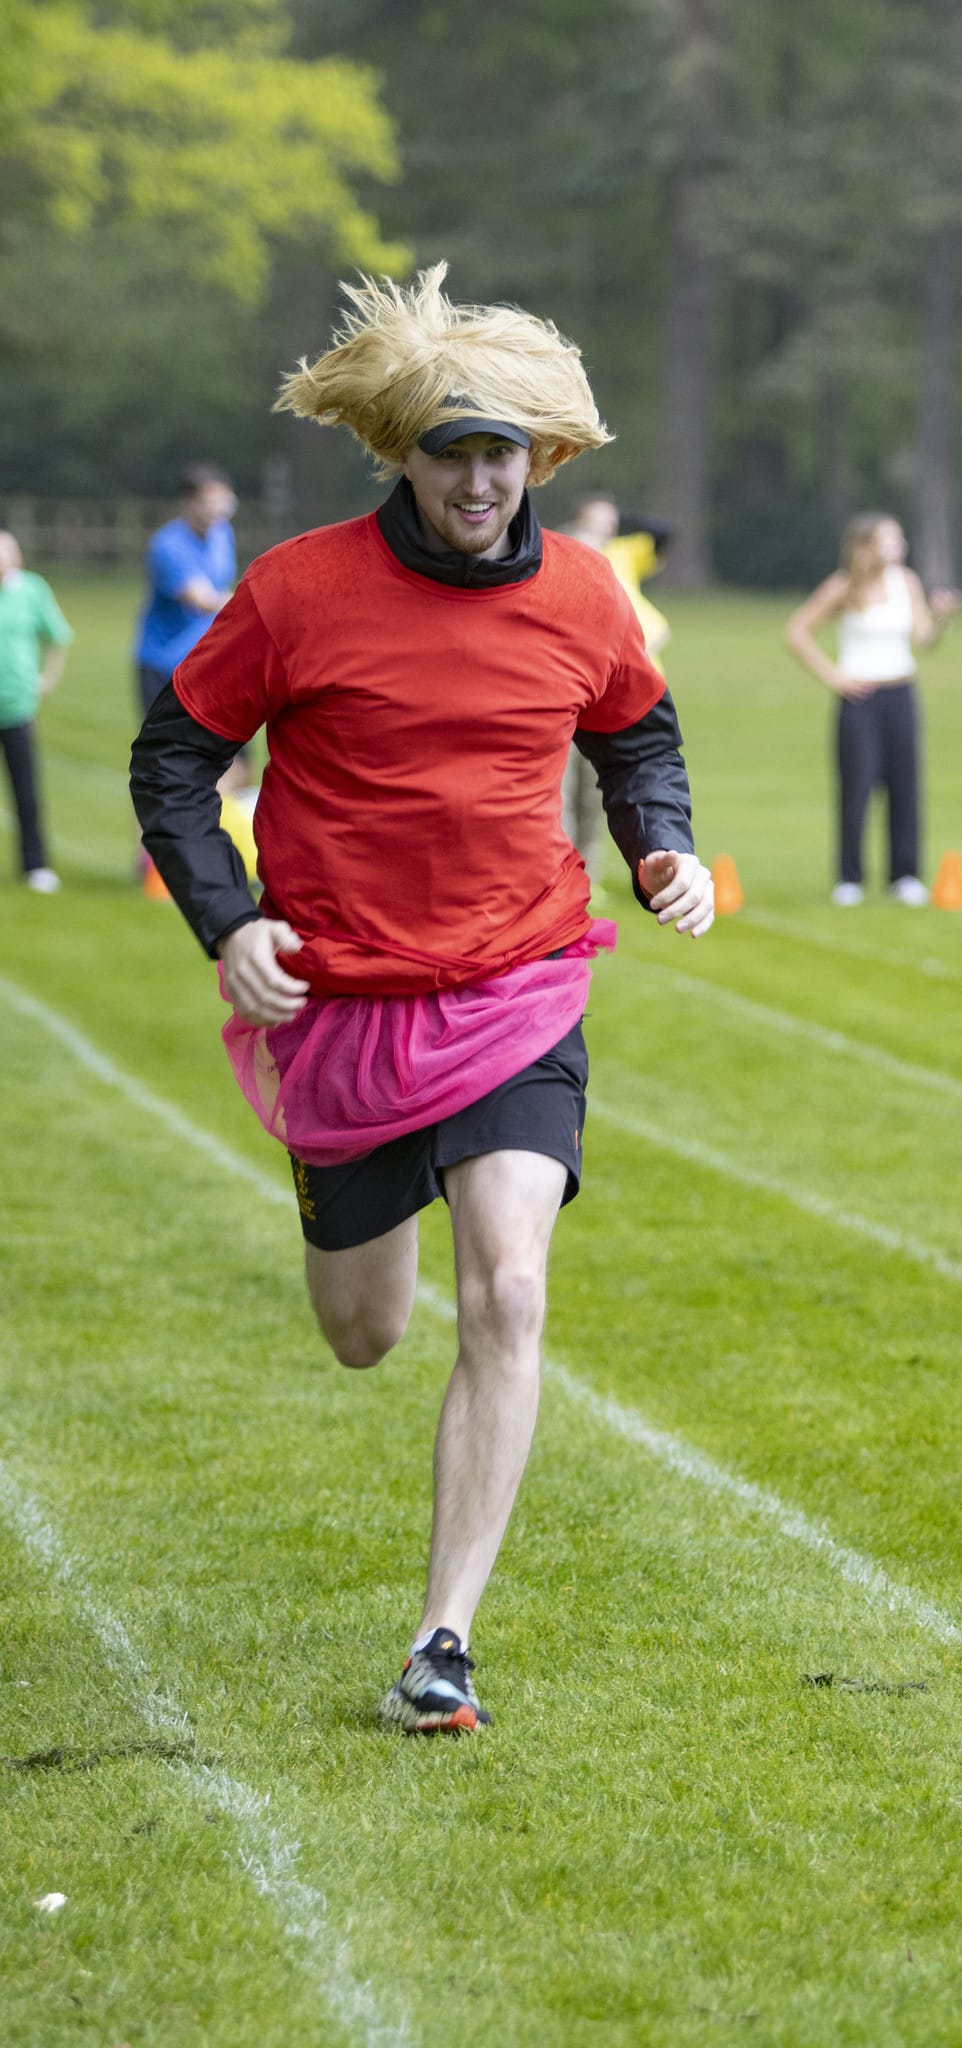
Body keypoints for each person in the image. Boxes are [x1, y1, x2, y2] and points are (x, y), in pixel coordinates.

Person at [130, 265, 712, 1737]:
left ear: (539, 462)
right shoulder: (299, 590)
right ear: (402, 452)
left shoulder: (585, 594)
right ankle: (348, 1227)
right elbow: (173, 764)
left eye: (499, 451)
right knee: (366, 1330)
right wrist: (230, 920)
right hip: (345, 1001)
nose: (475, 477)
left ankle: (442, 1641)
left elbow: (638, 735)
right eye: (449, 449)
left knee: (510, 1286)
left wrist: (661, 846)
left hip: (519, 982)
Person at [784, 512, 960, 906]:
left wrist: (942, 617)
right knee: (857, 786)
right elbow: (796, 632)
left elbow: (924, 638)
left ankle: (905, 874)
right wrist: (834, 676)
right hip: (859, 698)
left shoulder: (907, 582)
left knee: (905, 785)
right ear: (864, 546)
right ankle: (850, 877)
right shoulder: (842, 587)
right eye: (889, 540)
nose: (899, 547)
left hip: (901, 693)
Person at [558, 495, 673, 888]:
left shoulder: (620, 556)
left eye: (609, 526)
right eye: (594, 525)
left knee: (595, 794)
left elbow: (664, 532)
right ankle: (560, 874)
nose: (603, 535)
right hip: (568, 699)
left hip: (620, 697)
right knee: (561, 796)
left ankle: (587, 874)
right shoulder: (557, 567)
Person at [134, 464, 237, 721]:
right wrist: (258, 603)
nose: (218, 510)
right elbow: (202, 601)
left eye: (223, 502)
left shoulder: (223, 534)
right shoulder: (167, 545)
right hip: (165, 667)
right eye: (209, 502)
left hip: (210, 661)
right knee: (167, 757)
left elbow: (222, 585)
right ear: (187, 502)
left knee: (233, 754)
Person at [0, 530, 72, 893]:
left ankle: (35, 865)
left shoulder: (31, 590)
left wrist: (48, 679)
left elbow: (58, 636)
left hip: (15, 706)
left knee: (25, 790)